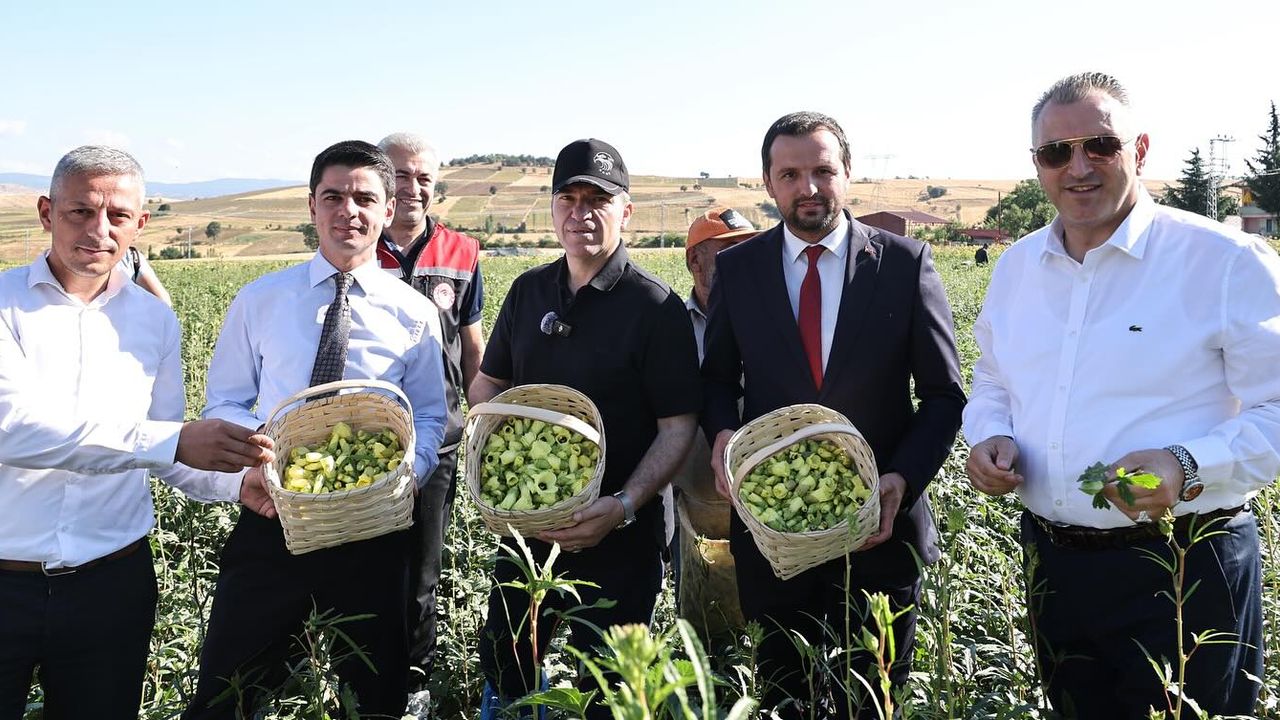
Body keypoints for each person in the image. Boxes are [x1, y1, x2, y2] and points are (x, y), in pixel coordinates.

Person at [963, 72, 1280, 719]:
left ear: (1138, 150)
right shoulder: (1018, 268)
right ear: (1036, 165)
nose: (1077, 167)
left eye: (1099, 145)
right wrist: (989, 435)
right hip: (1055, 563)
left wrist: (1186, 465)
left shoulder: (1223, 261)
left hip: (1185, 565)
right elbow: (993, 378)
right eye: (1057, 152)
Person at [701, 112, 965, 718]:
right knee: (784, 698)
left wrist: (900, 480)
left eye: (823, 170)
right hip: (774, 534)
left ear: (849, 174)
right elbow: (717, 378)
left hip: (881, 532)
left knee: (873, 702)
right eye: (790, 174)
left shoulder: (904, 264)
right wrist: (721, 434)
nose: (808, 187)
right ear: (769, 184)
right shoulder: (739, 271)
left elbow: (944, 397)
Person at [0, 145, 275, 720]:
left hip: (111, 584)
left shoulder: (154, 321)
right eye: (80, 212)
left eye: (118, 216)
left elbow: (166, 450)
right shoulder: (4, 306)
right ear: (47, 213)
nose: (99, 230)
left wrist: (238, 482)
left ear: (141, 224)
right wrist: (170, 441)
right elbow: (12, 429)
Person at [183, 140, 448, 720]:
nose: (347, 211)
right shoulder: (260, 300)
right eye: (333, 196)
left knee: (373, 688)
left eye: (363, 199)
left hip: (373, 530)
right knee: (232, 682)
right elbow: (225, 399)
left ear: (387, 210)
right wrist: (264, 460)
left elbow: (430, 414)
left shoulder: (415, 314)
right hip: (275, 516)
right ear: (311, 206)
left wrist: (409, 472)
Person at [469, 138, 701, 719]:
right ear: (552, 209)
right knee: (509, 662)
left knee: (609, 686)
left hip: (619, 530)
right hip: (527, 533)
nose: (582, 212)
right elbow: (487, 388)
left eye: (598, 199)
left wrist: (622, 504)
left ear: (626, 211)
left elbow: (678, 428)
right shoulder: (528, 292)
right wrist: (493, 448)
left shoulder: (655, 307)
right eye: (568, 198)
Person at [375, 132, 486, 690]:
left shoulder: (461, 253)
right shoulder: (353, 247)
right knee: (362, 566)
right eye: (400, 174)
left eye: (423, 177)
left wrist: (483, 422)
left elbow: (472, 349)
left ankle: (414, 680)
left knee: (423, 567)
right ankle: (363, 677)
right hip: (370, 436)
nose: (412, 188)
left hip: (438, 434)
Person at [670, 207, 755, 638]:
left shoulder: (765, 318)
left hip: (761, 498)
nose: (740, 261)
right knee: (698, 615)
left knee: (760, 619)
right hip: (692, 498)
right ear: (694, 261)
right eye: (727, 252)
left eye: (747, 249)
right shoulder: (668, 323)